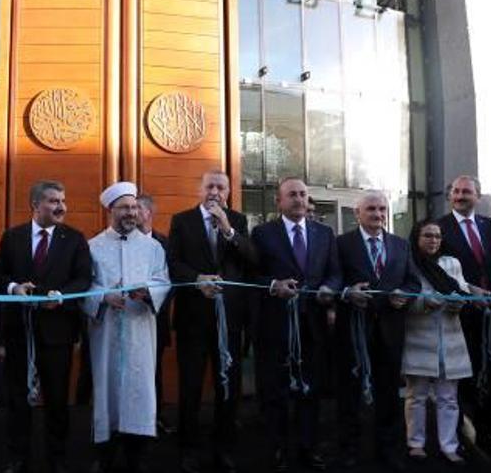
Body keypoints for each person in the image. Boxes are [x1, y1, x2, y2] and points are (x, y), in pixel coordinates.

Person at [0, 180, 92, 473]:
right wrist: (13, 288)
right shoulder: (13, 237)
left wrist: (61, 296)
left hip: (57, 332)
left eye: (62, 200)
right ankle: (18, 457)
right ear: (35, 205)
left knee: (57, 399)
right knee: (17, 399)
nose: (61, 206)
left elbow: (83, 278)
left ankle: (57, 458)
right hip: (18, 332)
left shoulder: (75, 239)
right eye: (53, 201)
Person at [168, 169, 257, 473]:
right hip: (193, 318)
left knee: (227, 389)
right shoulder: (182, 221)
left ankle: (224, 449)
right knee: (190, 388)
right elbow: (173, 263)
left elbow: (251, 259)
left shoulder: (238, 220)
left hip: (229, 321)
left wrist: (229, 230)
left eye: (221, 187)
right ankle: (188, 450)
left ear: (228, 192)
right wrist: (196, 279)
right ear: (199, 189)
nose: (215, 192)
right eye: (210, 186)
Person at [250, 178, 342, 472]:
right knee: (275, 391)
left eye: (303, 194)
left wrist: (329, 288)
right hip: (276, 325)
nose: (299, 199)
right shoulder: (263, 234)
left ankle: (307, 448)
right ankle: (277, 448)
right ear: (279, 201)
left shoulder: (325, 233)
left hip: (313, 323)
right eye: (292, 195)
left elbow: (335, 273)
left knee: (310, 391)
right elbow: (252, 275)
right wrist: (274, 284)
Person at [83, 182, 171, 473]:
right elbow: (85, 286)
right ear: (111, 210)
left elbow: (163, 280)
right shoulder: (93, 246)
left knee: (140, 389)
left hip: (140, 329)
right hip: (106, 330)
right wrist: (103, 296)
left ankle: (138, 456)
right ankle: (105, 454)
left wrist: (148, 292)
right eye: (124, 207)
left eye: (134, 207)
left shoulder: (153, 247)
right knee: (107, 388)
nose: (131, 213)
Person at [335, 191, 420, 471]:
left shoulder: (399, 244)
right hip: (354, 330)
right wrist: (346, 293)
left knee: (388, 393)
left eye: (382, 208)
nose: (377, 214)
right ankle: (348, 449)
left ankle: (388, 450)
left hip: (390, 330)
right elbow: (333, 280)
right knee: (350, 394)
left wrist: (404, 294)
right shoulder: (341, 244)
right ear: (357, 213)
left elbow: (413, 282)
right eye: (371, 208)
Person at [436, 175, 491, 452]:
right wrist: (468, 293)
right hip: (458, 314)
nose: (459, 196)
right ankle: (456, 436)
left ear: (478, 196)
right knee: (459, 377)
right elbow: (434, 270)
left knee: (489, 374)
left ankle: (486, 434)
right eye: (455, 191)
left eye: (466, 191)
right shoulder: (439, 228)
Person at [402, 220, 472, 466]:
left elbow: (463, 290)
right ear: (416, 237)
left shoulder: (451, 262)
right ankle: (416, 444)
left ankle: (449, 446)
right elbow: (404, 297)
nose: (433, 240)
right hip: (418, 336)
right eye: (427, 236)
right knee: (416, 395)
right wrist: (424, 302)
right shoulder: (408, 261)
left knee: (449, 397)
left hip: (450, 335)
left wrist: (458, 301)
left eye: (437, 236)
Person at [136, 193, 174, 435]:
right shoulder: (116, 241)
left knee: (153, 371)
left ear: (149, 213)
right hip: (123, 316)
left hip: (154, 317)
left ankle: (154, 417)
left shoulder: (166, 244)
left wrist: (151, 297)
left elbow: (172, 281)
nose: (131, 212)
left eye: (137, 208)